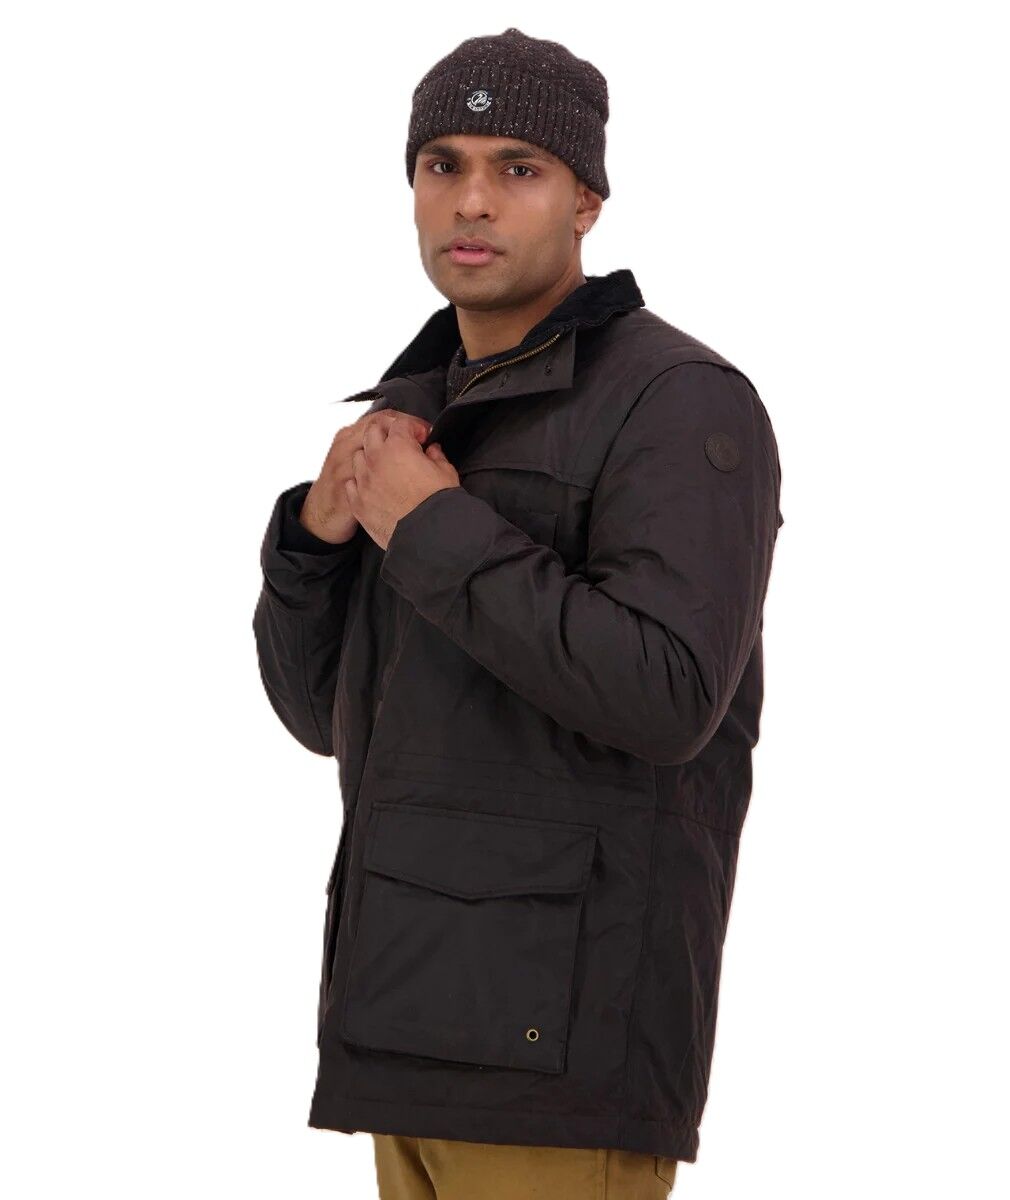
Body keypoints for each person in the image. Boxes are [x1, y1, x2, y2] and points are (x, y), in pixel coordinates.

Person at [252, 26, 784, 1200]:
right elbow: (324, 720)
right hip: (404, 1020)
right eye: (440, 164)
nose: (471, 201)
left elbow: (666, 694)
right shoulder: (420, 414)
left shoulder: (678, 400)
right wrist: (315, 543)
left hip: (564, 1050)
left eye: (518, 167)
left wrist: (430, 526)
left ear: (586, 200)